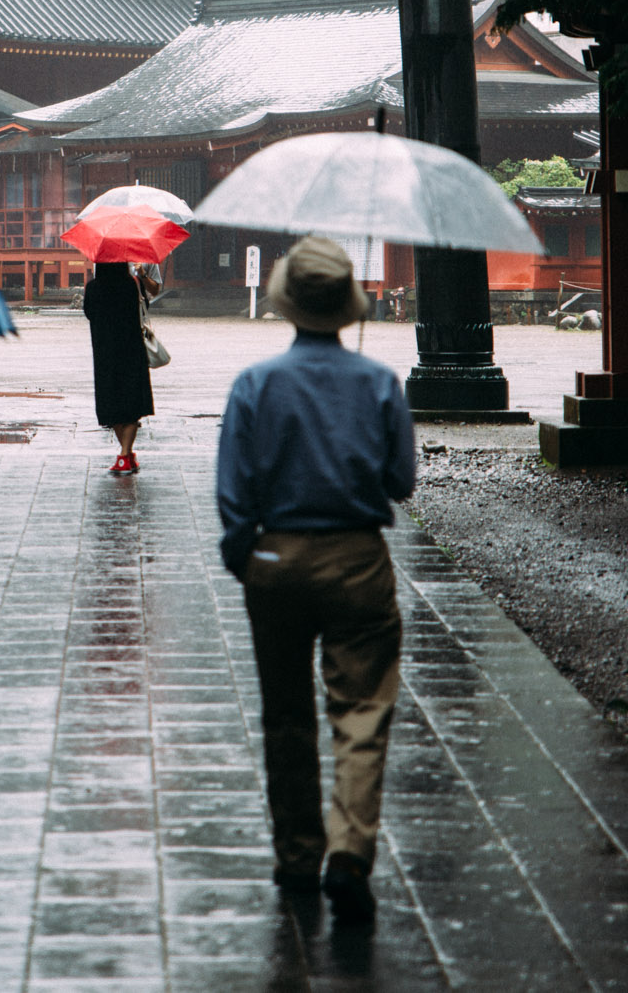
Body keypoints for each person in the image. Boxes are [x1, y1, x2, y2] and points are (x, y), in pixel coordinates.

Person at [215, 236, 415, 929]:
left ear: (288, 305)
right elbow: (400, 482)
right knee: (362, 709)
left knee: (286, 713)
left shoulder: (255, 384)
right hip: (357, 556)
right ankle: (350, 852)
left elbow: (233, 493)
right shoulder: (381, 384)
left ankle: (298, 853)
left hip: (275, 557)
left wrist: (245, 555)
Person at [81, 259, 158, 473]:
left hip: (104, 352)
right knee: (133, 402)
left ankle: (125, 455)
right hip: (132, 349)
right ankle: (126, 454)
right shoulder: (133, 284)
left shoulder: (93, 288)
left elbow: (88, 313)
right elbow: (145, 306)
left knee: (111, 403)